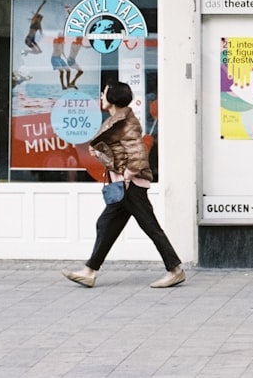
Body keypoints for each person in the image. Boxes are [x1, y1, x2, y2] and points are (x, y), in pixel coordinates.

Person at [63, 81, 185, 289]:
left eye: (104, 93)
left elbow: (137, 153)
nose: (101, 96)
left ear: (112, 98)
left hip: (130, 186)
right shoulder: (117, 120)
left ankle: (175, 270)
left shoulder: (126, 123)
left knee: (150, 227)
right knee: (106, 225)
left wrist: (127, 176)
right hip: (123, 185)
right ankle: (90, 271)